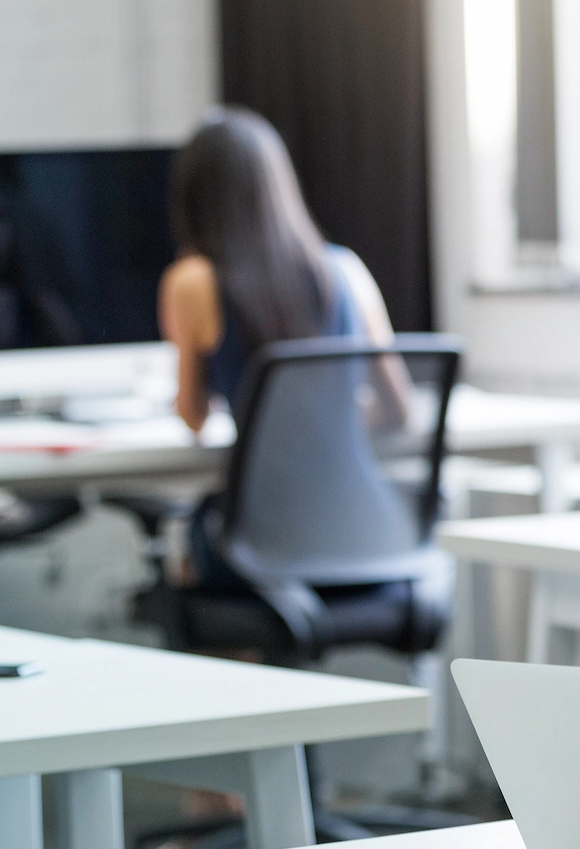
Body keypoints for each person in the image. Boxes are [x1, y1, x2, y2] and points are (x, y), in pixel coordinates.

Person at [158, 107, 399, 588]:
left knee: (186, 568)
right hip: (367, 532)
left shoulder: (192, 282)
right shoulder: (347, 271)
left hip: (262, 540)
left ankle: (236, 658)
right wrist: (327, 418)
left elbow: (193, 416)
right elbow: (399, 411)